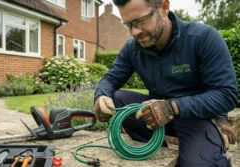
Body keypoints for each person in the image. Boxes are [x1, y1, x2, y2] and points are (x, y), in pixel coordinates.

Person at [94, 0, 238, 166]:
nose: (134, 32)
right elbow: (110, 79)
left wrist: (173, 107)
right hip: (155, 115)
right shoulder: (132, 48)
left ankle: (215, 153)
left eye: (140, 21)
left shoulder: (203, 37)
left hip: (197, 118)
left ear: (164, 7)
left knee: (197, 163)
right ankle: (154, 149)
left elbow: (226, 95)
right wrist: (101, 95)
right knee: (118, 98)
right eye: (128, 24)